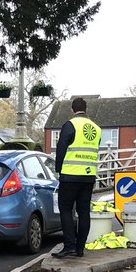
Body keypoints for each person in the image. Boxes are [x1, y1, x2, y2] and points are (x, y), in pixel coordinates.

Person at [52, 97, 102, 258]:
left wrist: (58, 170)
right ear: (85, 109)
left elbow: (61, 149)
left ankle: (69, 246)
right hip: (88, 176)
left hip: (70, 175)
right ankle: (80, 248)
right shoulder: (96, 128)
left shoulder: (70, 125)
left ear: (72, 110)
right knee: (84, 211)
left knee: (66, 210)